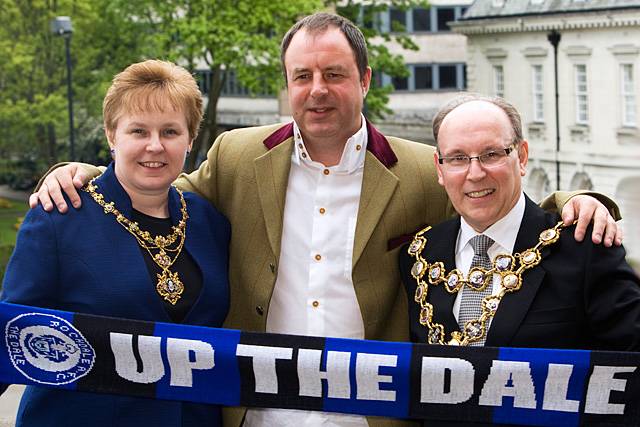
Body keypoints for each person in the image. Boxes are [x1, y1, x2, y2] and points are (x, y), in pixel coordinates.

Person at [30, 14, 621, 427]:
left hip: (372, 414)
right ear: (287, 85)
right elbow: (153, 189)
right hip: (254, 411)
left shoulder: (421, 170)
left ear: (363, 80)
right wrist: (79, 171)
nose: (318, 91)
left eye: (334, 74)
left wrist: (575, 202)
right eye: (302, 76)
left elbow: (492, 198)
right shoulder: (237, 156)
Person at [2, 60, 230, 427]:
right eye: (138, 131)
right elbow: (12, 335)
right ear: (112, 135)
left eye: (170, 132)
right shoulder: (59, 218)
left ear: (190, 138)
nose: (154, 146)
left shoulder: (209, 222)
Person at [400, 94, 640, 356]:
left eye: (491, 154)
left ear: (522, 156)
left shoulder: (585, 249)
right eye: (458, 158)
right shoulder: (418, 256)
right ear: (439, 168)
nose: (476, 173)